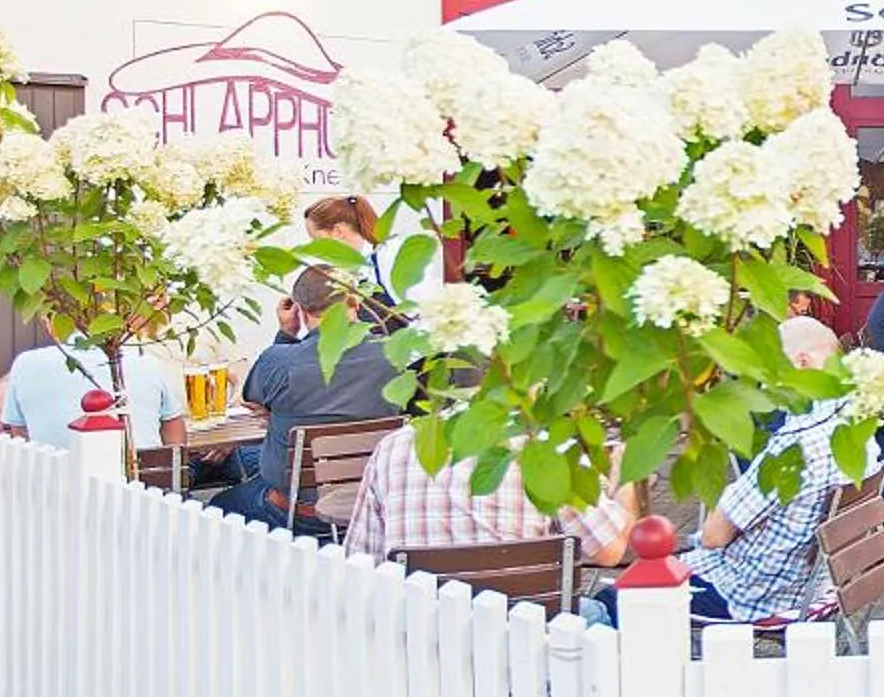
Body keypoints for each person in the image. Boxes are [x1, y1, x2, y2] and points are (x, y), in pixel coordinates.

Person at [343, 422, 640, 601]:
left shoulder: (393, 447)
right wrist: (627, 475)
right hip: (533, 641)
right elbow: (610, 550)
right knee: (613, 605)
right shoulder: (547, 449)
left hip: (422, 643)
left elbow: (359, 563)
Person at [679, 317, 851, 620]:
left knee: (617, 600)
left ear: (802, 362)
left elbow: (713, 536)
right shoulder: (851, 434)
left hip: (748, 593)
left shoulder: (794, 445)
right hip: (806, 585)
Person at [212, 267, 402, 531]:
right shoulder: (394, 356)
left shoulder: (280, 362)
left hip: (297, 515)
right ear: (355, 300)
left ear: (300, 311)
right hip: (372, 509)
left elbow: (254, 400)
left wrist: (286, 334)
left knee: (214, 508)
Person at [0, 327, 186, 453]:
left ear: (49, 323)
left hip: (53, 488)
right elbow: (174, 432)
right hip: (143, 487)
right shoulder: (146, 362)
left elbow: (21, 437)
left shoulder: (25, 364)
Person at [303, 195, 398, 314]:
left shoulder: (389, 255)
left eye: (317, 240)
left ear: (338, 232)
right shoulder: (352, 271)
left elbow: (417, 313)